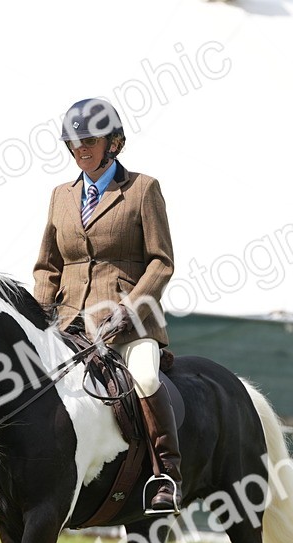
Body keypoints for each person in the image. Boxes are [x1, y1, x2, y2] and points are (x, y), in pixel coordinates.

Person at [32, 98, 182, 513]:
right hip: (69, 320)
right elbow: (48, 266)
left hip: (128, 323)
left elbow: (161, 262)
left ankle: (166, 474)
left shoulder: (141, 190)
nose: (81, 148)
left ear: (113, 143)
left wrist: (129, 308)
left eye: (89, 140)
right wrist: (40, 316)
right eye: (74, 142)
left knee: (146, 377)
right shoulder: (61, 196)